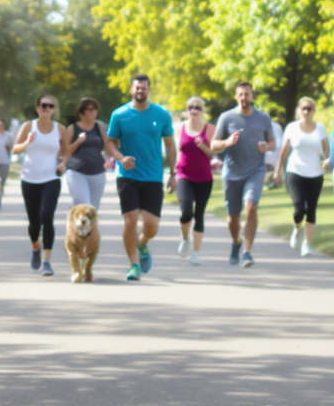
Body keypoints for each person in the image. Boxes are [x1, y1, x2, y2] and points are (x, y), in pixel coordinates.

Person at [105, 74, 175, 281]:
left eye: (144, 88)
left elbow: (170, 145)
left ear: (149, 90)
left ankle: (143, 244)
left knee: (152, 226)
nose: (140, 91)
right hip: (127, 175)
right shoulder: (119, 115)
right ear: (131, 89)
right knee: (130, 221)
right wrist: (120, 158)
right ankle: (133, 264)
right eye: (137, 88)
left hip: (153, 176)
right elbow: (110, 142)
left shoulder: (161, 114)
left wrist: (173, 174)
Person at [211, 82, 275, 268]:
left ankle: (247, 251)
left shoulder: (263, 118)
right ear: (236, 96)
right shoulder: (227, 117)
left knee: (251, 207)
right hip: (231, 172)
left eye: (247, 94)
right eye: (240, 94)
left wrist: (266, 147)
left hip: (255, 170)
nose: (243, 98)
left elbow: (272, 141)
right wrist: (226, 142)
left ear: (252, 96)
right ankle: (236, 242)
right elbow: (213, 144)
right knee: (233, 217)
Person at [13, 95, 67, 277]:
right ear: (37, 108)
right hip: (29, 179)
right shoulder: (28, 126)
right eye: (43, 105)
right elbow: (15, 149)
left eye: (50, 106)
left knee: (47, 217)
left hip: (51, 179)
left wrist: (63, 164)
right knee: (34, 223)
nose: (47, 108)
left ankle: (47, 262)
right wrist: (27, 142)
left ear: (54, 109)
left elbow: (65, 153)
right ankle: (36, 245)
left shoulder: (60, 129)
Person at [273, 98, 329, 258]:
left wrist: (328, 161)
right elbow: (283, 151)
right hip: (295, 172)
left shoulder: (320, 129)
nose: (307, 111)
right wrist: (278, 172)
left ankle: (306, 244)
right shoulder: (291, 128)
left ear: (314, 110)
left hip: (316, 174)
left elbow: (326, 150)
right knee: (299, 207)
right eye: (304, 108)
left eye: (310, 108)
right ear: (299, 110)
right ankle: (297, 228)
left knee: (311, 209)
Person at [174, 96, 215, 266]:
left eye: (198, 108)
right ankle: (185, 238)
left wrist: (203, 146)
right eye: (191, 107)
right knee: (186, 211)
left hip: (204, 178)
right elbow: (174, 150)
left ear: (202, 110)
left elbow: (213, 154)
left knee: (199, 215)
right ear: (187, 109)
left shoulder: (210, 128)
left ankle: (196, 252)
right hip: (183, 174)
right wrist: (171, 173)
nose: (194, 111)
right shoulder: (179, 128)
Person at [62, 97, 113, 211]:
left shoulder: (100, 127)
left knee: (93, 210)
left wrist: (120, 158)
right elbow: (65, 152)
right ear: (81, 112)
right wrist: (78, 142)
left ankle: (89, 229)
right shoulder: (72, 128)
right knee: (83, 205)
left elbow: (108, 146)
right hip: (76, 171)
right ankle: (76, 223)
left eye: (94, 109)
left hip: (97, 172)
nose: (92, 112)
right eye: (88, 110)